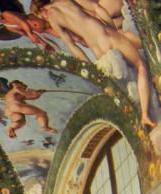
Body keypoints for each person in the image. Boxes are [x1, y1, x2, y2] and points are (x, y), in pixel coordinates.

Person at [38, 0, 156, 128]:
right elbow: (97, 8)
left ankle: (141, 113)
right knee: (140, 65)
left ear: (42, 9)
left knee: (128, 77)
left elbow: (72, 46)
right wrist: (112, 29)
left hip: (98, 50)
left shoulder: (53, 19)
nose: (45, 19)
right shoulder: (67, 1)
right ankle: (145, 114)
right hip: (106, 36)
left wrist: (89, 68)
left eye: (42, 17)